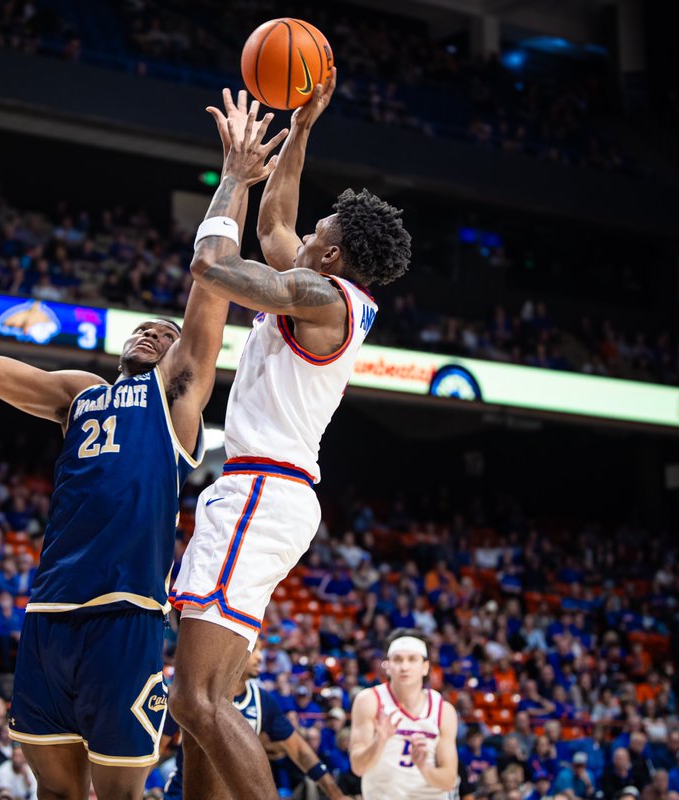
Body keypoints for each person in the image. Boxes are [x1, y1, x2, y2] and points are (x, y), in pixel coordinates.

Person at [0, 91, 271, 800]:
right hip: (49, 614)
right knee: (56, 794)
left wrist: (233, 177)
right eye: (143, 327)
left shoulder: (175, 398)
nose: (152, 331)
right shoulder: (79, 393)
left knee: (120, 793)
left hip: (125, 615)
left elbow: (208, 292)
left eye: (165, 333)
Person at [168, 80, 411, 800]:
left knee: (196, 700)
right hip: (270, 493)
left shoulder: (321, 299)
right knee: (203, 705)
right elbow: (276, 222)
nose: (299, 237)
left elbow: (213, 268)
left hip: (261, 490)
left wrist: (232, 180)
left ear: (330, 257)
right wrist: (301, 129)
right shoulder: (328, 290)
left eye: (315, 235)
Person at [162, 644, 352, 800]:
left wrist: (337, 795)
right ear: (230, 651)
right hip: (185, 792)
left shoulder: (262, 700)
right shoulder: (196, 693)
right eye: (254, 649)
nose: (260, 657)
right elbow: (158, 746)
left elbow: (300, 751)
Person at [349, 630, 459, 799]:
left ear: (425, 667)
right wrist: (380, 741)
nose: (404, 667)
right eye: (398, 659)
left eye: (412, 659)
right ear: (387, 666)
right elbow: (358, 767)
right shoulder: (370, 700)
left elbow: (449, 781)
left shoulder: (443, 710)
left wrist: (424, 768)